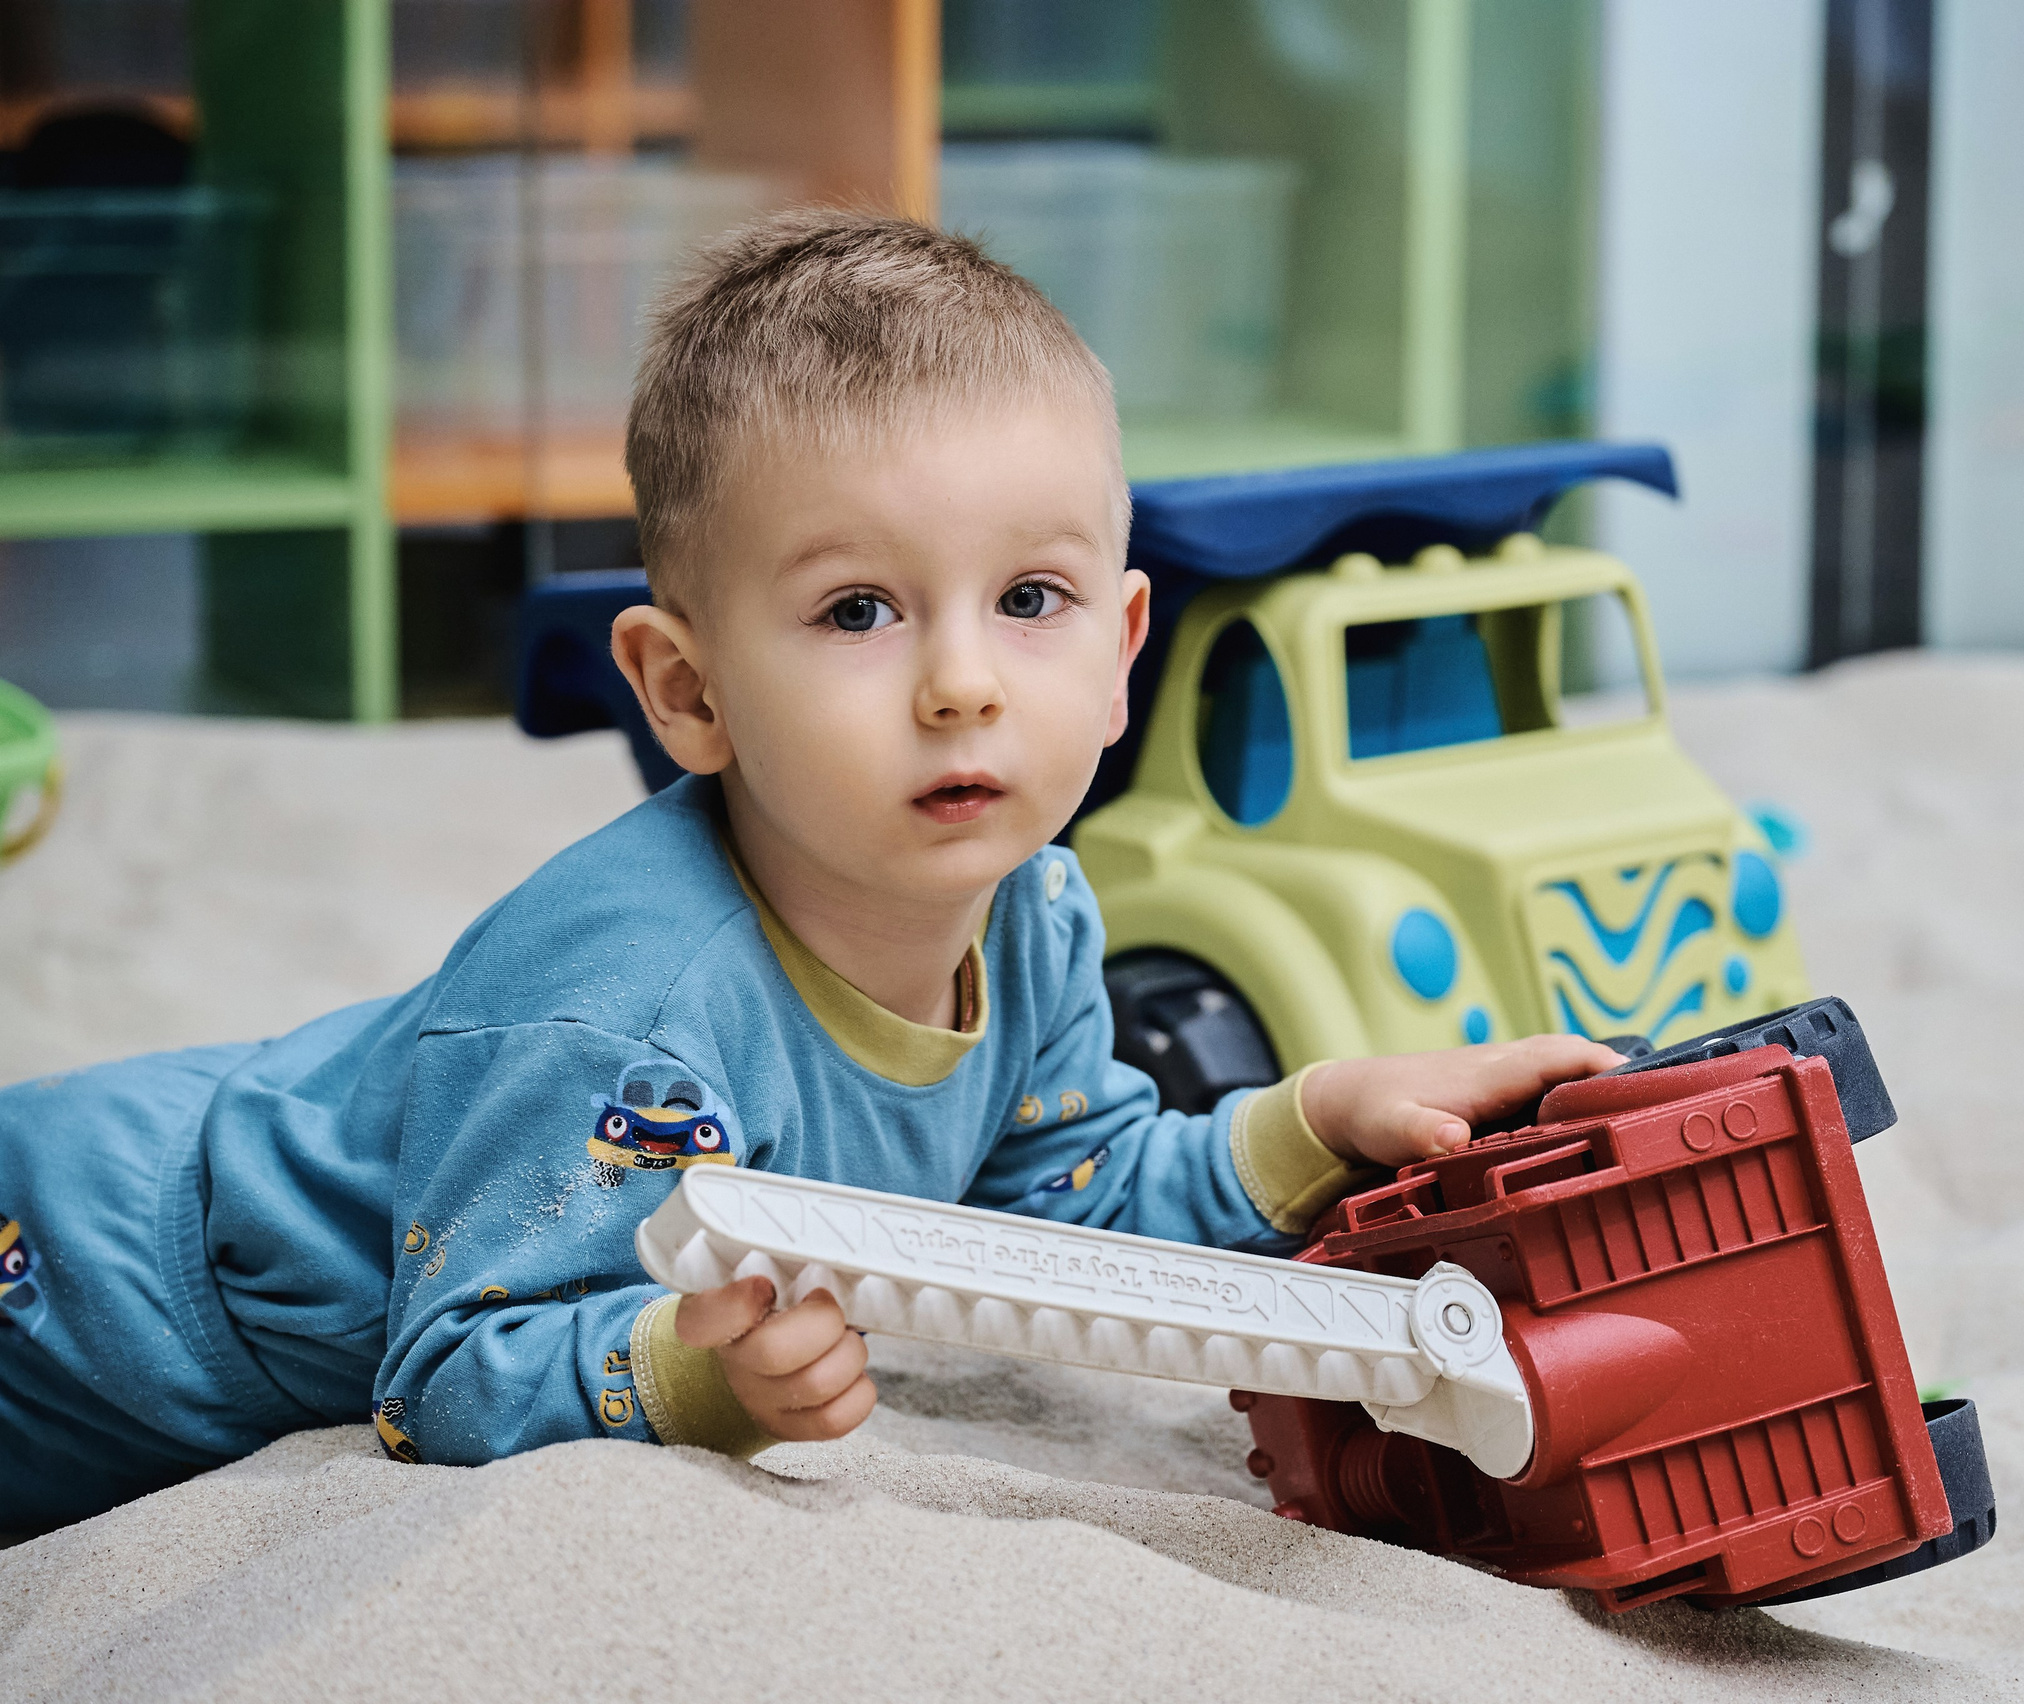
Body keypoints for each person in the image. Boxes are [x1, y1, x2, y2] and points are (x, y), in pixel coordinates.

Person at [0, 211, 1620, 1530]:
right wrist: (692, 1385)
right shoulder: (631, 1011)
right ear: (687, 691)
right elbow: (451, 1368)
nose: (962, 682)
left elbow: (1062, 1199)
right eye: (860, 610)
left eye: (1033, 599)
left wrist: (1313, 1120)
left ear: (1126, 651)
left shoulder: (1036, 910)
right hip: (85, 1299)